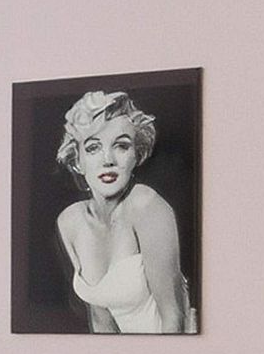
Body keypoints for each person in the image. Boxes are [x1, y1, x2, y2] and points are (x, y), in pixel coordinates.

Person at [55, 90, 191, 333]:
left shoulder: (146, 205)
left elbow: (174, 319)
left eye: (121, 146)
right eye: (93, 148)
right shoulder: (70, 221)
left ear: (136, 155)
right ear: (78, 161)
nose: (108, 159)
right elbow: (101, 321)